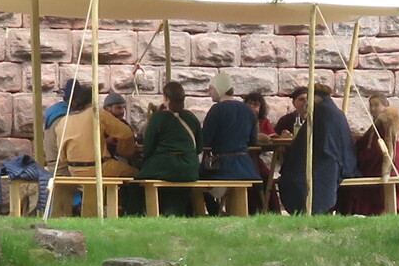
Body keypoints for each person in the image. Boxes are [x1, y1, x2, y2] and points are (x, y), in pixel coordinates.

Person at [49, 88, 138, 215]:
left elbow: (62, 157)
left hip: (74, 171)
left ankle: (97, 209)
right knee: (136, 174)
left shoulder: (63, 121)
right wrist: (125, 152)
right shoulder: (97, 113)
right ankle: (130, 211)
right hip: (99, 168)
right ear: (93, 100)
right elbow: (126, 133)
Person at [136, 80, 205, 215]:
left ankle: (139, 212)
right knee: (178, 189)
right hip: (190, 168)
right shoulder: (192, 118)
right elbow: (199, 148)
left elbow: (148, 148)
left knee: (137, 180)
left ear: (166, 98)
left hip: (166, 165)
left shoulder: (159, 118)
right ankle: (178, 212)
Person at [286, 82, 354, 215]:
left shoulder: (322, 112)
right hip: (344, 161)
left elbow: (322, 144)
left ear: (314, 97)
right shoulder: (333, 110)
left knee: (294, 178)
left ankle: (309, 209)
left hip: (331, 163)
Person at [197, 76, 261, 212]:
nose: (209, 92)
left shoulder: (217, 110)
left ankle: (212, 212)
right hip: (245, 166)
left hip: (223, 166)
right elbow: (253, 140)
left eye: (211, 89)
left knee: (196, 179)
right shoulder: (248, 110)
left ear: (219, 88)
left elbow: (205, 139)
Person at [340, 91, 399, 214]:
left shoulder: (386, 121)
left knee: (352, 173)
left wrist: (359, 157)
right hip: (388, 163)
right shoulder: (379, 122)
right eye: (371, 105)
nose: (373, 108)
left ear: (385, 106)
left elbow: (381, 149)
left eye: (376, 105)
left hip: (384, 165)